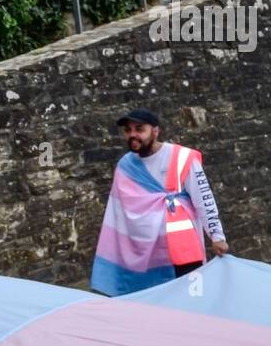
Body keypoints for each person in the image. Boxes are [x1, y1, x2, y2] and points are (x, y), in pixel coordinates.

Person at [91, 108, 228, 295]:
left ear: (155, 131)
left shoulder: (182, 158)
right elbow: (117, 214)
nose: (133, 135)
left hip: (182, 248)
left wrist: (217, 236)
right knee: (155, 304)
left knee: (192, 299)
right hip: (145, 253)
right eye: (128, 130)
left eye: (139, 129)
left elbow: (203, 198)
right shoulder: (125, 166)